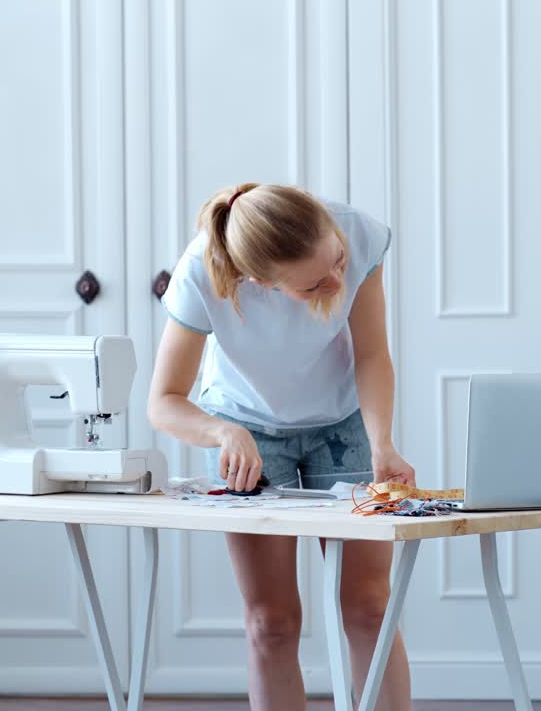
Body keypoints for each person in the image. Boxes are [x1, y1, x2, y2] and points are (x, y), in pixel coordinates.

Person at [147, 183, 415, 710]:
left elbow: (372, 355)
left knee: (369, 608)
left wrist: (382, 441)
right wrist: (222, 432)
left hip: (343, 422)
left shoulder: (355, 233)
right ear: (256, 283)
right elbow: (164, 401)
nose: (338, 279)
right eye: (315, 285)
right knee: (272, 622)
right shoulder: (204, 272)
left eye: (337, 261)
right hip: (246, 430)